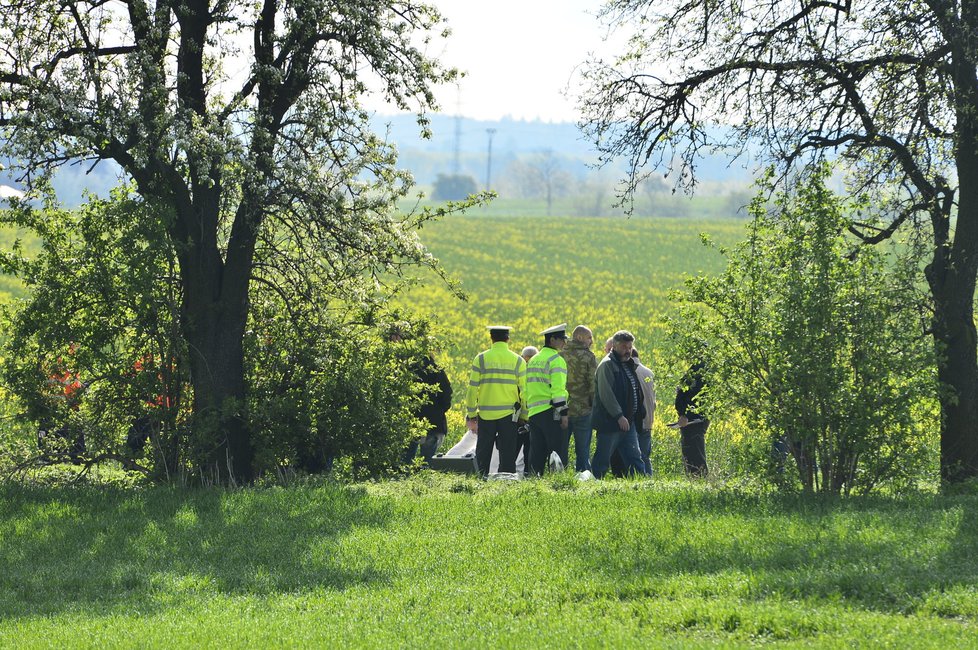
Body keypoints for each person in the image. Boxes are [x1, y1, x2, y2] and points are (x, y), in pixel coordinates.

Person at [465, 325, 527, 477]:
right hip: (509, 416)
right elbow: (525, 392)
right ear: (508, 339)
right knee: (507, 454)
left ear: (491, 338)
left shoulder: (480, 359)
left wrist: (472, 414)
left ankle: (480, 481)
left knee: (483, 453)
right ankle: (506, 483)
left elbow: (472, 389)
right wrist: (524, 416)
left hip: (486, 415)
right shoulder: (518, 361)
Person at [590, 330, 649, 478]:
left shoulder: (627, 364)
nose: (627, 351)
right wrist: (618, 415)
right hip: (610, 422)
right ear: (614, 347)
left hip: (628, 422)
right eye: (624, 347)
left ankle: (643, 487)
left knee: (635, 458)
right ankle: (594, 486)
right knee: (602, 459)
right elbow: (606, 394)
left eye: (629, 347)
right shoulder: (607, 365)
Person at [526, 324, 570, 474]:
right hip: (551, 411)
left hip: (534, 412)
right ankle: (558, 482)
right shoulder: (556, 360)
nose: (564, 342)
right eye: (562, 339)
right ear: (552, 340)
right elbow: (558, 391)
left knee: (537, 451)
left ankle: (534, 480)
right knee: (557, 452)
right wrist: (563, 414)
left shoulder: (533, 359)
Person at [402, 352, 453, 466]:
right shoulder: (437, 370)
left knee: (407, 458)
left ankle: (404, 478)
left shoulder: (408, 369)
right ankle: (424, 480)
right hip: (433, 421)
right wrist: (440, 410)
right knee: (427, 461)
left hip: (412, 419)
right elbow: (447, 393)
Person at [561, 325, 597, 472]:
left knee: (560, 448)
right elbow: (593, 385)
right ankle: (582, 480)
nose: (592, 341)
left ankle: (559, 477)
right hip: (583, 410)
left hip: (562, 410)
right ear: (580, 337)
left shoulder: (559, 356)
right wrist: (594, 406)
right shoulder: (589, 357)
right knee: (582, 451)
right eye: (589, 337)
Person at [675, 360, 709, 477]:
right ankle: (697, 479)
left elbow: (696, 398)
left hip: (693, 421)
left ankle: (699, 480)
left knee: (694, 454)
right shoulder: (702, 371)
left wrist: (685, 415)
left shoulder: (699, 373)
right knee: (693, 453)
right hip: (695, 420)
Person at [631, 347, 656, 475]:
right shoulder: (649, 372)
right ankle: (649, 482)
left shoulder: (630, 371)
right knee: (645, 456)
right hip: (648, 420)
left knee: (634, 455)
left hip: (636, 420)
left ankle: (638, 480)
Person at [517, 345, 539, 474]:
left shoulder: (518, 372)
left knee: (521, 450)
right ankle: (529, 473)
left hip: (522, 419)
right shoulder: (539, 372)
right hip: (531, 418)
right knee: (530, 450)